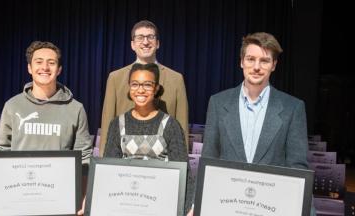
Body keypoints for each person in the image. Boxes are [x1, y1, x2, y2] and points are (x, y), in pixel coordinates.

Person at [190, 32, 314, 216]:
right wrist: (196, 204)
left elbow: (298, 168)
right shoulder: (218, 102)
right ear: (241, 62)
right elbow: (209, 158)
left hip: (271, 207)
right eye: (251, 59)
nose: (256, 67)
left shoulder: (293, 108)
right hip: (226, 204)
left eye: (264, 61)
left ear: (274, 65)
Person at [0, 41, 93, 215]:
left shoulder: (76, 109)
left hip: (59, 200)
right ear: (29, 67)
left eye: (51, 62)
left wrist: (83, 197)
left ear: (59, 69)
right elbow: (1, 154)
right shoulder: (12, 106)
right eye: (38, 62)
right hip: (18, 197)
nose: (45, 67)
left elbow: (84, 158)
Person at [78, 63, 192, 215]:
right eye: (135, 84)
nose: (140, 90)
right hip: (125, 204)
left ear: (156, 88)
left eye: (147, 84)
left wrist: (188, 208)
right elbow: (109, 172)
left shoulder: (170, 125)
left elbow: (184, 172)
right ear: (129, 87)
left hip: (160, 205)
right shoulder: (117, 124)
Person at [100, 20, 189, 157]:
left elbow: (182, 128)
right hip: (124, 165)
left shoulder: (176, 79)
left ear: (158, 43)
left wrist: (182, 170)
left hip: (163, 165)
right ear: (132, 44)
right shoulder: (115, 78)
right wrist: (103, 164)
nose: (146, 42)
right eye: (140, 37)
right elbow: (107, 127)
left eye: (150, 37)